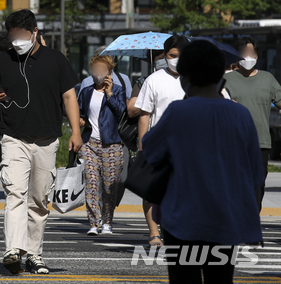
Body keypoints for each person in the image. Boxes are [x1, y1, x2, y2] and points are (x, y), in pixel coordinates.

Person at [142, 40, 263, 284]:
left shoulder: (178, 111)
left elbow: (151, 152)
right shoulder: (240, 113)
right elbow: (255, 173)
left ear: (184, 76)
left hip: (182, 218)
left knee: (184, 279)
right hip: (225, 217)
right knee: (220, 279)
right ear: (221, 74)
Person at [0, 9, 82, 275]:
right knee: (15, 194)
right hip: (14, 138)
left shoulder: (56, 59)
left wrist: (75, 131)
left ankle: (34, 254)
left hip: (47, 141)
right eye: (12, 36)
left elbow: (70, 97)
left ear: (35, 33)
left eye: (22, 35)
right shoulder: (3, 60)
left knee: (39, 200)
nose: (17, 41)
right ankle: (13, 250)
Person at [134, 35, 188, 247]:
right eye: (172, 55)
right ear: (165, 56)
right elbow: (144, 114)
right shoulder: (154, 80)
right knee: (152, 190)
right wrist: (142, 143)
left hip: (187, 146)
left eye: (180, 56)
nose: (175, 60)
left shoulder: (195, 79)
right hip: (159, 144)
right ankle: (154, 232)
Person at [223, 37, 281, 212]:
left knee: (258, 186)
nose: (248, 57)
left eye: (251, 53)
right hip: (233, 143)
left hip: (260, 142)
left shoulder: (268, 79)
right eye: (244, 53)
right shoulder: (227, 79)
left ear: (257, 55)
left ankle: (251, 224)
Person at [78, 55, 126, 236]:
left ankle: (107, 222)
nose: (97, 74)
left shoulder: (119, 91)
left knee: (109, 187)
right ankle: (93, 222)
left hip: (112, 144)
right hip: (89, 143)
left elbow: (122, 113)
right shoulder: (86, 92)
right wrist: (81, 121)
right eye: (94, 70)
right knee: (91, 184)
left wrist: (110, 94)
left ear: (109, 73)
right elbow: (79, 112)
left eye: (101, 70)